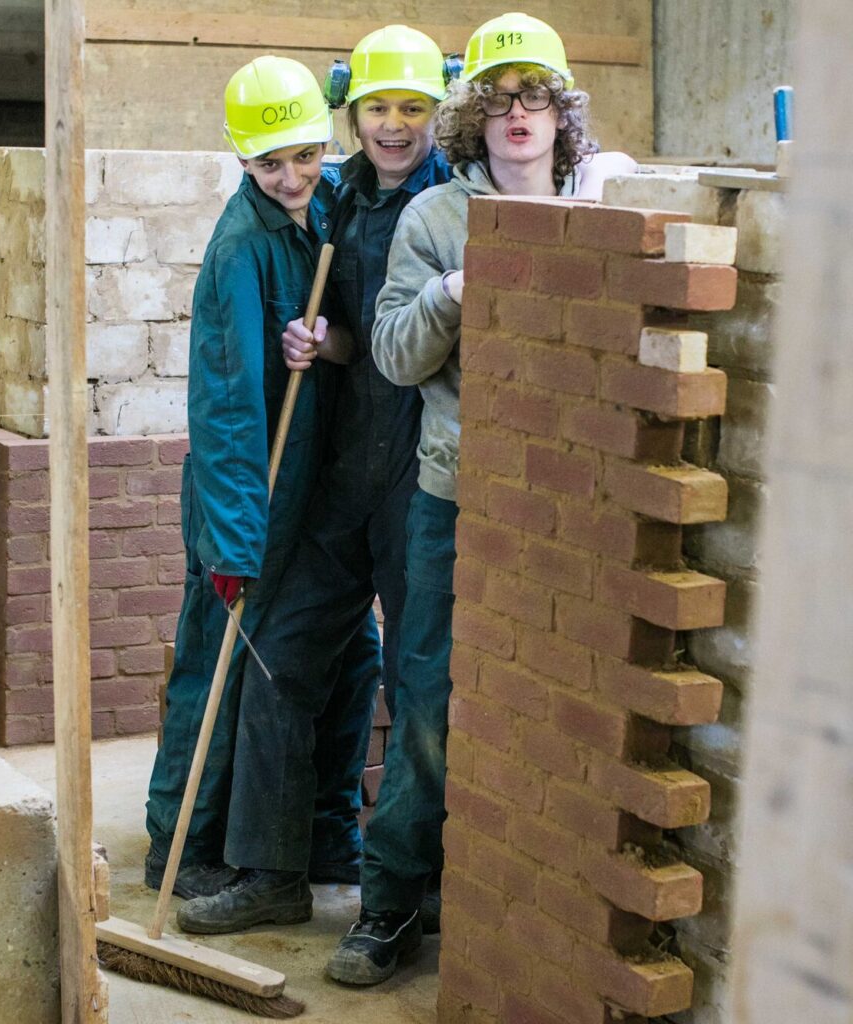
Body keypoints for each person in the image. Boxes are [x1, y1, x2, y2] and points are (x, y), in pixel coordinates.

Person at [326, 12, 638, 985]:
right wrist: (453, 289)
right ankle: (390, 906)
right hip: (450, 494)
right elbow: (391, 353)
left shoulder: (594, 203)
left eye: (533, 95)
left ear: (560, 113)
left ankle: (504, 887)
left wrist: (604, 196)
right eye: (498, 98)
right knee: (423, 699)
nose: (516, 113)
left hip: (565, 510)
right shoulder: (432, 220)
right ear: (476, 117)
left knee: (553, 701)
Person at [174, 25, 456, 936]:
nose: (395, 124)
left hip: (418, 479)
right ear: (355, 113)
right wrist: (320, 342)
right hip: (341, 474)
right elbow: (345, 335)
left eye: (412, 107)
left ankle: (407, 889)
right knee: (282, 660)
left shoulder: (454, 204)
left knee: (417, 686)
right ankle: (274, 871)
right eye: (379, 107)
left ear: (436, 112)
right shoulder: (337, 203)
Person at [144, 55, 382, 902]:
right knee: (218, 669)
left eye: (305, 156)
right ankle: (180, 842)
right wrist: (234, 542)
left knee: (353, 654)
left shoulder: (325, 206)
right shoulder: (241, 250)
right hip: (246, 500)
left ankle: (323, 834)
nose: (290, 177)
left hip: (316, 490)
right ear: (241, 161)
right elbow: (231, 407)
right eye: (268, 164)